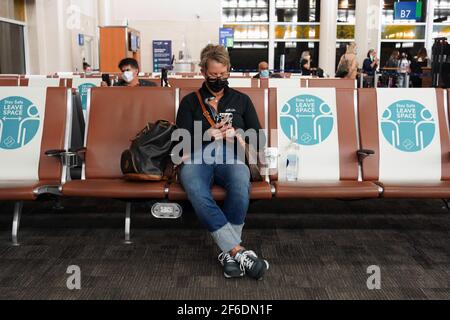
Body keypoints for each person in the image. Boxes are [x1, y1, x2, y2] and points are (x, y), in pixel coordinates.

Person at [176, 44, 269, 280]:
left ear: (229, 70)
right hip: (197, 158)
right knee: (196, 189)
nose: (218, 78)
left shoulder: (241, 100)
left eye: (223, 74)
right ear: (203, 71)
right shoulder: (189, 102)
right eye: (213, 74)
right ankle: (236, 250)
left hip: (231, 155)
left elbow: (260, 138)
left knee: (240, 181)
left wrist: (238, 133)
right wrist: (207, 135)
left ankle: (229, 253)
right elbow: (179, 142)